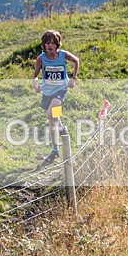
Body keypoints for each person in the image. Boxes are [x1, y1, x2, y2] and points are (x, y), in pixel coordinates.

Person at [32, 29, 79, 163]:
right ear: (44, 45)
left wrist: (73, 78)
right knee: (54, 118)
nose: (50, 46)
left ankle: (56, 145)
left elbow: (76, 60)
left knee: (51, 114)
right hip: (47, 91)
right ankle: (55, 149)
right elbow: (35, 76)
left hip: (60, 90)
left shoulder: (63, 55)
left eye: (53, 43)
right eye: (48, 43)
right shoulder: (41, 58)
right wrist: (36, 85)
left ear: (58, 44)